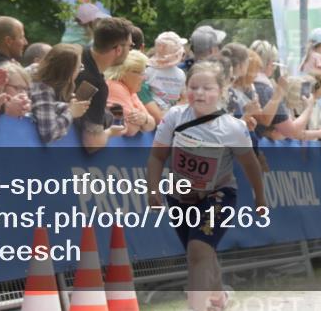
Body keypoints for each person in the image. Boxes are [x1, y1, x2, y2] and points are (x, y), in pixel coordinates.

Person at [146, 59, 267, 311]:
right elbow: (157, 156)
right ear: (185, 89)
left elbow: (251, 165)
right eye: (194, 87)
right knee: (201, 253)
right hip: (179, 196)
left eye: (207, 88)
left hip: (218, 195)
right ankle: (218, 297)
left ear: (221, 91)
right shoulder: (174, 117)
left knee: (198, 250)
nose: (199, 93)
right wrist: (153, 190)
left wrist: (260, 198)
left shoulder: (233, 128)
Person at [75, 17, 131, 152]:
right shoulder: (96, 85)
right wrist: (111, 132)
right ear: (118, 50)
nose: (131, 50)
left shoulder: (75, 53)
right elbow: (92, 143)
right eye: (130, 45)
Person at [29, 44, 90, 143]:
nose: (79, 71)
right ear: (68, 72)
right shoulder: (43, 89)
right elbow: (49, 133)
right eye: (79, 67)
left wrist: (65, 106)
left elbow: (38, 107)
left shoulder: (34, 70)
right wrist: (71, 113)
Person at [105, 50, 156, 137]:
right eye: (141, 73)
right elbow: (131, 130)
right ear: (124, 72)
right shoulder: (115, 87)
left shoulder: (130, 90)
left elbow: (152, 124)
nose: (144, 78)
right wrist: (144, 122)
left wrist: (144, 119)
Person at [146, 31, 188, 112]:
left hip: (152, 112)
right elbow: (184, 97)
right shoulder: (180, 74)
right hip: (172, 114)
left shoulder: (148, 70)